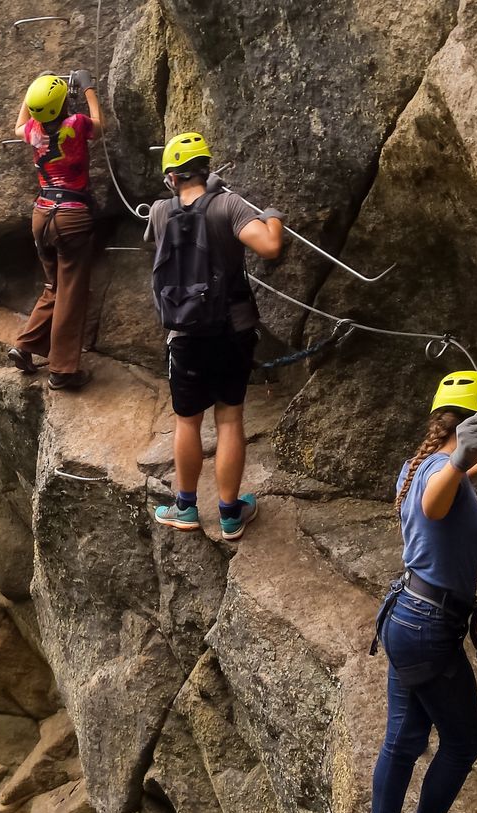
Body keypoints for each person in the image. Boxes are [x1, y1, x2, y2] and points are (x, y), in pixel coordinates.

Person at [359, 371, 477, 813]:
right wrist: (466, 459)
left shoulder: (422, 466)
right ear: (473, 426)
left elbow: (455, 486)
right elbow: (435, 504)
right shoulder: (437, 477)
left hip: (412, 619)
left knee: (404, 736)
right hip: (426, 628)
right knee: (464, 741)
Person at [149, 132, 283, 540]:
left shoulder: (158, 211)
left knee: (187, 422)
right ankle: (229, 513)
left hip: (184, 332)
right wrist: (273, 215)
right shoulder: (228, 205)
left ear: (171, 177)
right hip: (232, 328)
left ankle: (185, 507)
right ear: (208, 169)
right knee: (229, 418)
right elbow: (269, 246)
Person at [6, 70, 103, 391]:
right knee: (71, 294)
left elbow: (18, 124)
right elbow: (99, 126)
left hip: (42, 214)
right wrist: (88, 88)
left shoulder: (33, 131)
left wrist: (30, 94)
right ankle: (62, 370)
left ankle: (25, 345)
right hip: (72, 217)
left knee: (54, 285)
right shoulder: (74, 125)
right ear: (63, 104)